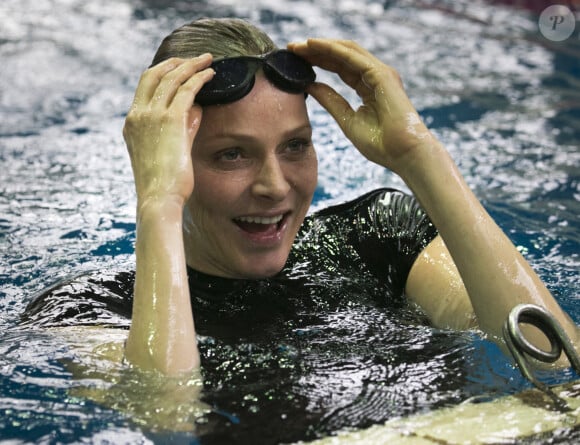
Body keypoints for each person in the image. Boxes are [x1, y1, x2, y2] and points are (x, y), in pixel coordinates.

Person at [23, 17, 578, 377]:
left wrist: (418, 156)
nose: (274, 185)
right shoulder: (88, 312)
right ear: (165, 162)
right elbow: (165, 420)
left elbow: (551, 360)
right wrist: (159, 201)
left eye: (295, 146)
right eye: (231, 155)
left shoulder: (377, 236)